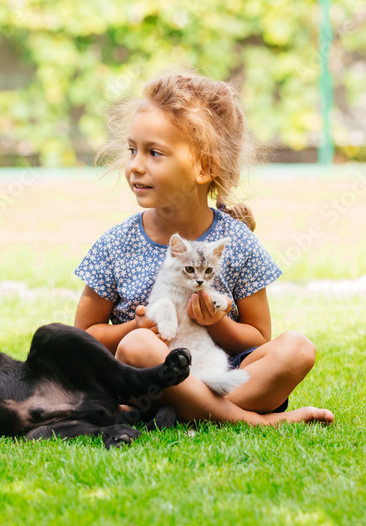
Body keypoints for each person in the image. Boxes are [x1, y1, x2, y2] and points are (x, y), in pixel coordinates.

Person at [73, 70, 333, 427]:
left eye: (154, 153)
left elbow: (259, 338)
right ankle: (248, 419)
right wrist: (136, 326)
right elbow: (84, 338)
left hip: (217, 372)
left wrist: (217, 323)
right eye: (133, 150)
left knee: (298, 348)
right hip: (147, 377)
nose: (134, 165)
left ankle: (183, 409)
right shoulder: (116, 244)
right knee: (138, 345)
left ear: (204, 167)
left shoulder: (236, 241)